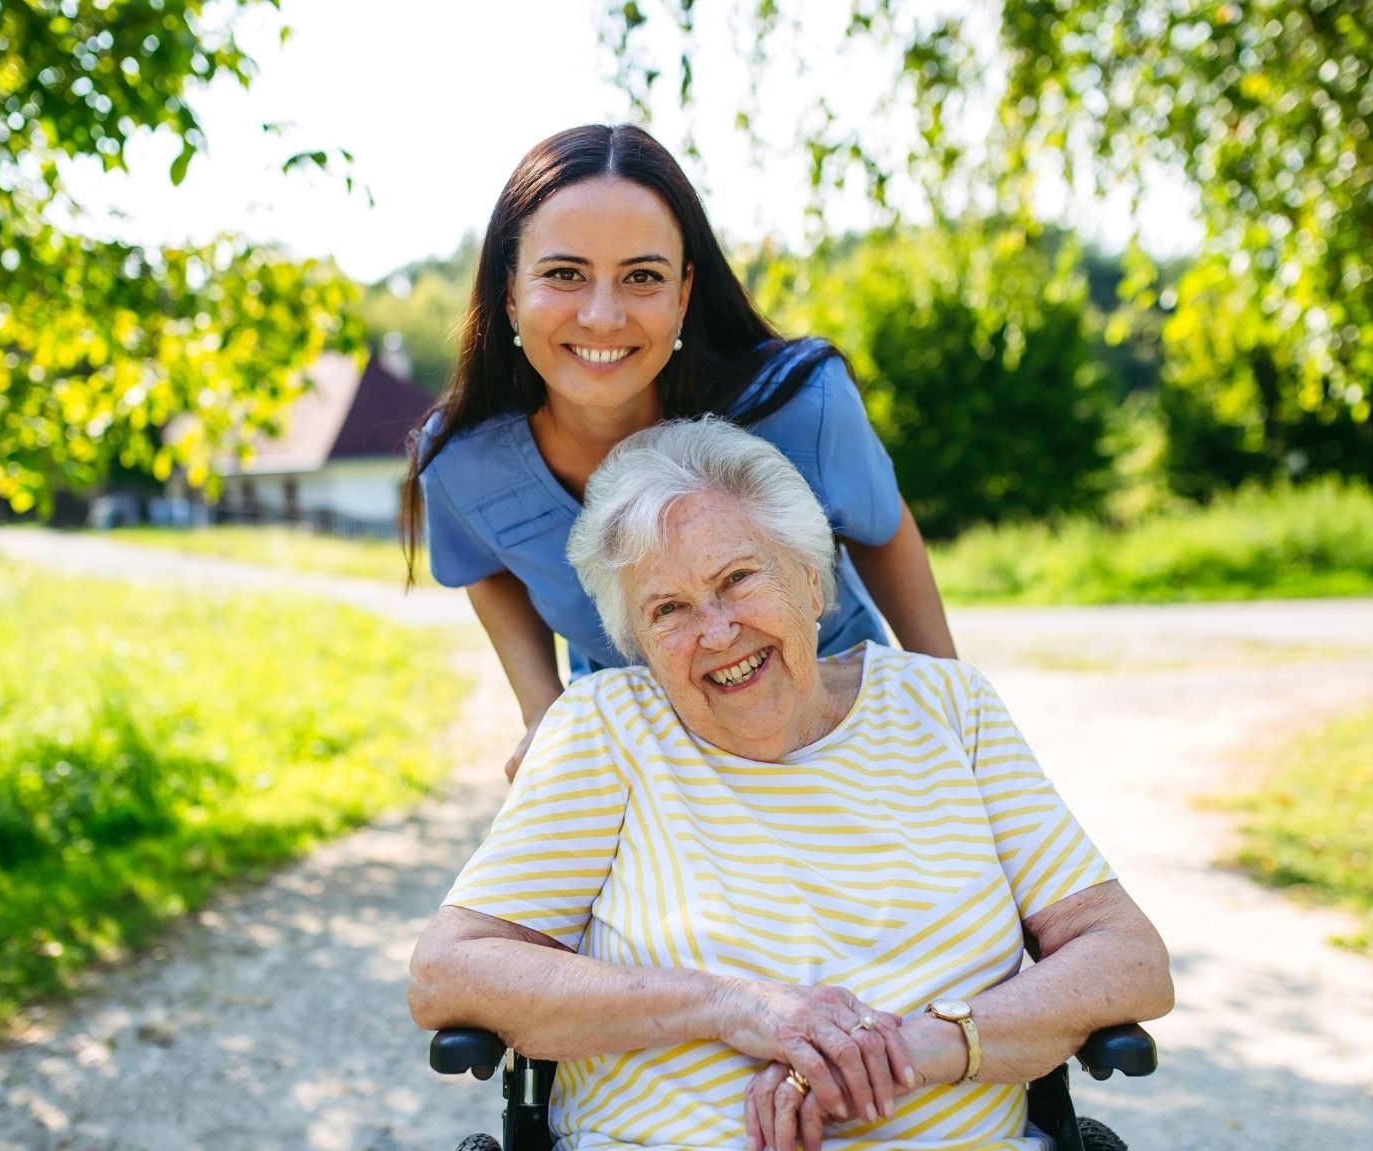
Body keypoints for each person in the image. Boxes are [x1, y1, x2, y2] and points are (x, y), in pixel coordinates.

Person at [410, 419, 1174, 1151]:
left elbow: (1128, 958)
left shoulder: (949, 708)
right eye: (668, 610)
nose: (716, 631)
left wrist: (908, 1049)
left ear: (812, 581)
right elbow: (450, 973)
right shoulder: (606, 730)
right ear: (635, 639)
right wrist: (732, 1007)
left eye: (739, 579)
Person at [401, 124, 957, 780]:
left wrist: (950, 707)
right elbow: (485, 564)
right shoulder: (464, 462)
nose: (603, 316)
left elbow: (883, 531)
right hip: (645, 762)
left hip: (841, 733)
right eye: (564, 274)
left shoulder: (802, 406)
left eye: (642, 276)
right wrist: (543, 710)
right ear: (511, 294)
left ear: (684, 293)